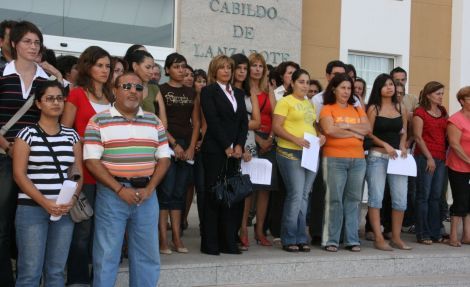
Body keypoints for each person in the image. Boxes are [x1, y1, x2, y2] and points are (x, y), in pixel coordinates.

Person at [84, 72, 170, 286]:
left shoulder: (153, 121)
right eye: (127, 86)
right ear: (114, 91)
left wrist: (150, 189)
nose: (133, 91)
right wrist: (120, 190)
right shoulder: (98, 121)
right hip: (113, 195)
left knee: (147, 256)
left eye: (138, 87)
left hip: (147, 195)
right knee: (106, 255)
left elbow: (165, 158)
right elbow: (91, 161)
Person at [13, 80, 82, 286]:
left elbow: (77, 173)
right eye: (50, 98)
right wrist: (45, 202)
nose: (56, 103)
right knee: (30, 271)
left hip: (64, 210)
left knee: (56, 271)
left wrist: (74, 198)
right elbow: (19, 175)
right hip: (32, 209)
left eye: (60, 98)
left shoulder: (72, 135)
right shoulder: (26, 134)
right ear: (39, 104)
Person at [0, 21, 49, 286]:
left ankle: (30, 277)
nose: (32, 46)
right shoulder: (2, 74)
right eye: (27, 41)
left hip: (38, 161)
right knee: (3, 224)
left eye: (37, 42)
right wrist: (8, 147)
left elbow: (54, 118)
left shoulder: (47, 81)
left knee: (32, 222)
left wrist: (53, 73)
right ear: (14, 44)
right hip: (5, 158)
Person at [61, 45, 113, 286]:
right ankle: (78, 280)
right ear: (88, 66)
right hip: (85, 170)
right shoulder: (77, 94)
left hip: (112, 172)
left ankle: (99, 278)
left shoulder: (113, 97)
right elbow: (65, 132)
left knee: (105, 231)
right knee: (83, 229)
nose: (104, 70)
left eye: (107, 66)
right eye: (99, 65)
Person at [200, 55, 248, 255]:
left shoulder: (238, 92)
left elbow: (243, 122)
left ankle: (228, 242)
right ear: (214, 70)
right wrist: (226, 145)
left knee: (232, 196)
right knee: (214, 196)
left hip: (234, 153)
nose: (227, 71)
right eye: (222, 68)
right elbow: (212, 119)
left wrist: (239, 145)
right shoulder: (208, 91)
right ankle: (211, 245)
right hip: (215, 150)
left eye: (229, 67)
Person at [273, 69, 325, 252]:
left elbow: (312, 125)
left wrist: (320, 135)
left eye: (307, 82)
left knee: (304, 195)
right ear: (293, 83)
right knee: (295, 195)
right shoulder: (285, 102)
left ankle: (301, 237)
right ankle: (288, 238)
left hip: (310, 153)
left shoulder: (309, 104)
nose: (305, 85)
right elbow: (276, 127)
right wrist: (296, 139)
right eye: (301, 82)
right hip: (290, 152)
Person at [319, 73, 370, 252]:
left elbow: (367, 129)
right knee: (334, 200)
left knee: (353, 200)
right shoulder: (327, 108)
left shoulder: (357, 109)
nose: (347, 91)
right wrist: (355, 133)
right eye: (343, 87)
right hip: (334, 158)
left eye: (349, 88)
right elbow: (329, 130)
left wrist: (345, 126)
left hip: (358, 160)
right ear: (334, 88)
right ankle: (331, 240)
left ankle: (351, 239)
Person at [158, 53, 200, 254]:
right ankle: (163, 239)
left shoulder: (192, 92)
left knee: (179, 193)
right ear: (167, 70)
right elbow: (158, 122)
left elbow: (197, 122)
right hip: (166, 143)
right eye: (176, 66)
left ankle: (176, 237)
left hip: (186, 144)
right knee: (165, 192)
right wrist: (174, 144)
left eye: (183, 66)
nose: (181, 70)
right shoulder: (161, 90)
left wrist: (191, 147)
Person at [366, 73, 411, 251]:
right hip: (377, 157)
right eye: (385, 85)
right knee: (376, 198)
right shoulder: (373, 109)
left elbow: (404, 131)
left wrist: (402, 145)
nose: (389, 87)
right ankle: (378, 238)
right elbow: (368, 133)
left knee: (400, 200)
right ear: (379, 88)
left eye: (391, 84)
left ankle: (396, 238)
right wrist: (385, 144)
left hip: (398, 159)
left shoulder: (401, 107)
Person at [413, 81, 448, 244]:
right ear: (428, 95)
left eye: (442, 93)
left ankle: (435, 232)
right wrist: (429, 158)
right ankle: (423, 233)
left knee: (436, 197)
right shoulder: (420, 112)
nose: (441, 96)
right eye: (438, 94)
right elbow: (418, 137)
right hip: (425, 157)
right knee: (424, 196)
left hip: (441, 158)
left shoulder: (442, 111)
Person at [183, 69, 207, 229]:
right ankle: (182, 219)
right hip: (185, 142)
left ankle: (202, 222)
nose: (200, 83)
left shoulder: (206, 98)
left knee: (199, 184)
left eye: (202, 80)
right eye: (198, 80)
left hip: (202, 144)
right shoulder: (186, 97)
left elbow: (205, 123)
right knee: (186, 184)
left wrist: (202, 141)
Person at [446, 86, 470, 247]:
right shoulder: (455, 120)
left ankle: (467, 235)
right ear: (462, 101)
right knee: (460, 200)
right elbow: (454, 144)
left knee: (469, 202)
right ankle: (453, 235)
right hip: (458, 166)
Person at [126, 50, 167, 126]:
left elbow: (163, 122)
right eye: (148, 67)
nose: (151, 72)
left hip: (151, 135)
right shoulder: (124, 87)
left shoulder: (154, 89)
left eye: (152, 68)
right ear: (135, 66)